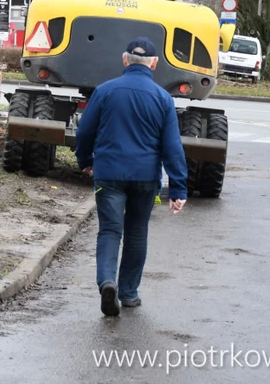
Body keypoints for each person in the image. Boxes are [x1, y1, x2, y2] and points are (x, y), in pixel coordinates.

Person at [74, 37, 188, 317]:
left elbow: (85, 132)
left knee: (110, 230)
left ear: (125, 60)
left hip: (109, 174)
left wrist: (86, 161)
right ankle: (128, 292)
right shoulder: (163, 98)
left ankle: (107, 282)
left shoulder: (104, 91)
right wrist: (178, 188)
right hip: (146, 177)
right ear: (154, 63)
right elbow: (172, 146)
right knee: (137, 232)